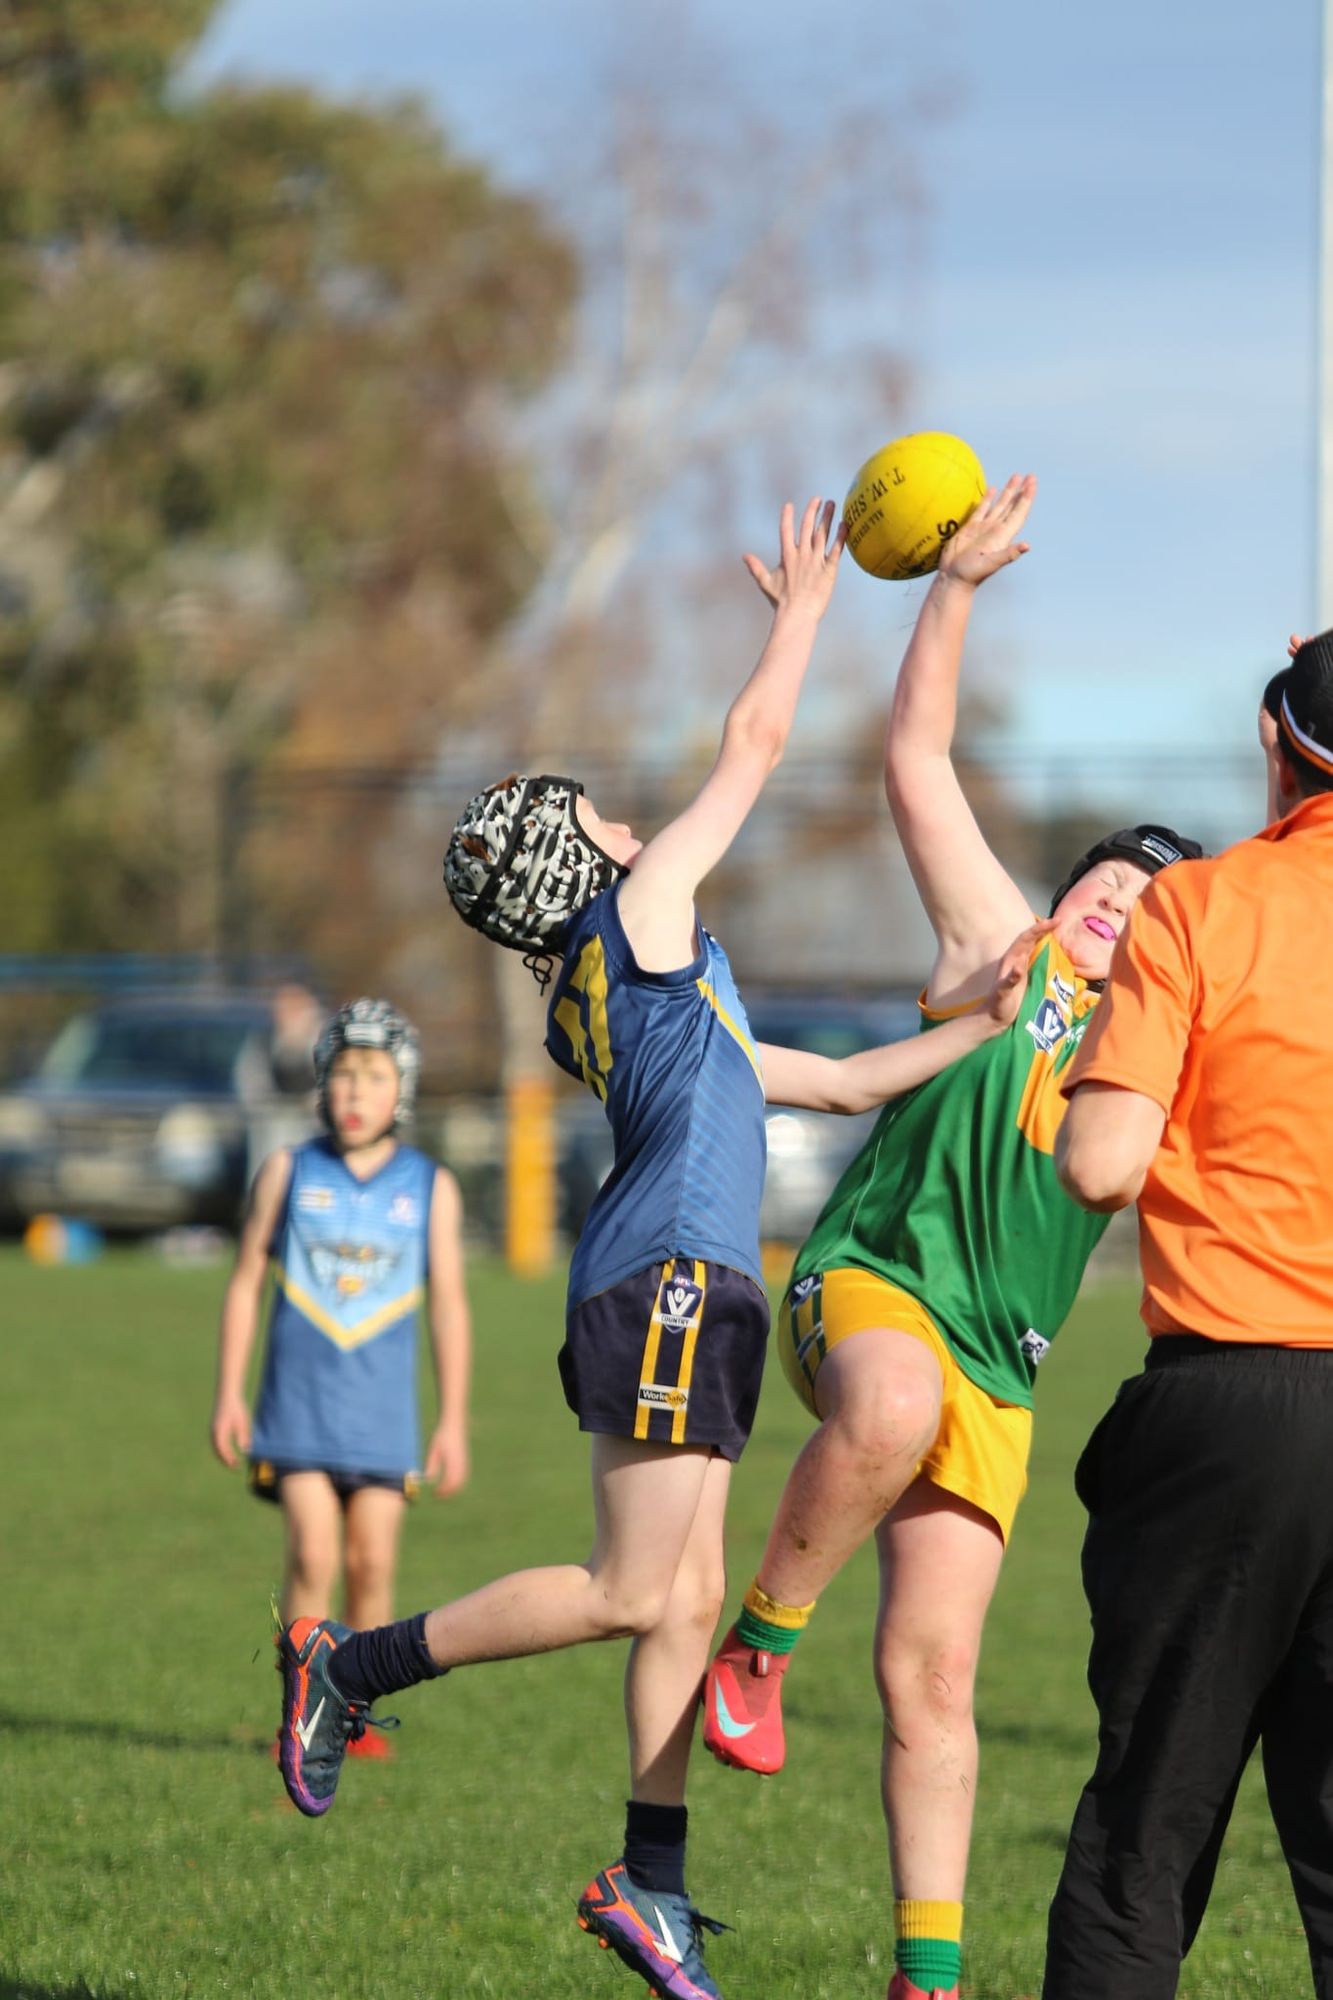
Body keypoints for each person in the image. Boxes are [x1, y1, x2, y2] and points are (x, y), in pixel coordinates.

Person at [266, 496, 1040, 2000]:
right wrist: (805, 615)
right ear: (578, 859)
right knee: (632, 1589)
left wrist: (985, 1026)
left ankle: (655, 1881)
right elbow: (753, 746)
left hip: (696, 1281)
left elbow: (834, 1083)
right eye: (604, 817)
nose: (631, 821)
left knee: (685, 1598)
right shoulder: (639, 917)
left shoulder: (647, 974)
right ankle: (345, 1667)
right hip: (674, 1275)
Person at [701, 476, 1204, 2000]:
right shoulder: (1007, 950)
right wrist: (957, 588)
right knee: (894, 1403)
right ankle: (756, 1648)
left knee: (934, 1676)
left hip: (999, 1371)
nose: (1124, 899)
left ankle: (929, 1975)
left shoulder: (1163, 1063)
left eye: (1155, 898)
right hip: (865, 1289)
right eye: (1110, 875)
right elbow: (915, 756)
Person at [1041, 629, 1333, 2000]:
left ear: (1274, 744)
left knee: (1143, 1839)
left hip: (1233, 1401)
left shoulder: (1199, 905)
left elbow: (1101, 1165)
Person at [211, 998, 471, 1760]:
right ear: (322, 1083)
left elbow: (448, 1306)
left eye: (374, 1076)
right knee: (313, 1552)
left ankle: (351, 1712)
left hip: (382, 1420)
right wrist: (228, 1393)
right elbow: (243, 1284)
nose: (356, 1092)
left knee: (371, 1562)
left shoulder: (430, 1186)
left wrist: (453, 1420)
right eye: (344, 1075)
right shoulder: (287, 1171)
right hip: (295, 1412)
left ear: (402, 1089)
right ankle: (300, 1714)